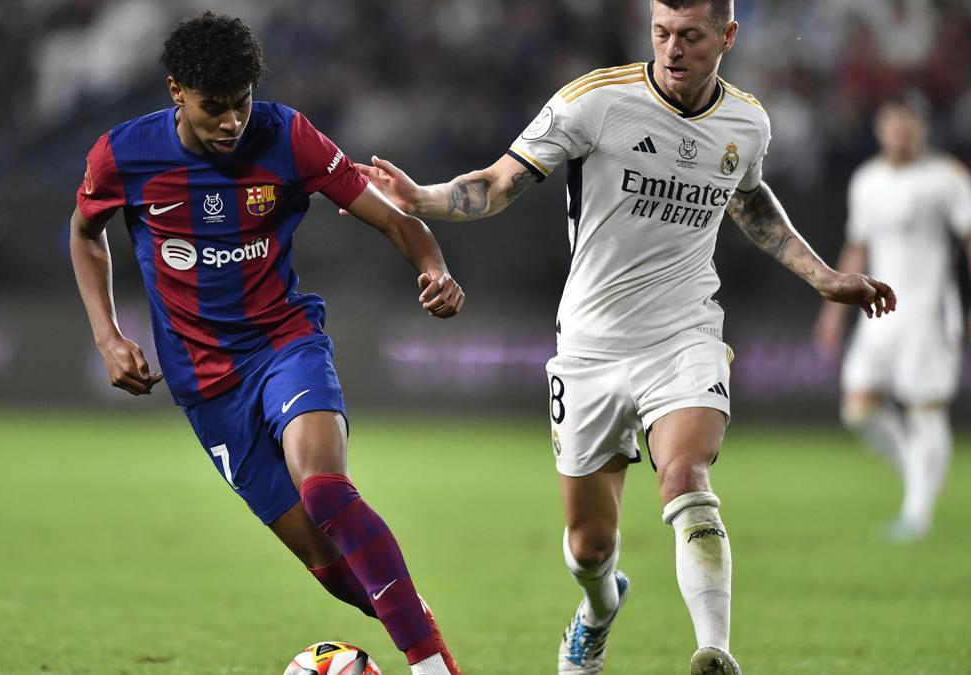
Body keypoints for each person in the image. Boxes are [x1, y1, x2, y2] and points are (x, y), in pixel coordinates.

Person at [356, 1, 895, 673]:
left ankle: (715, 650)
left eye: (691, 36)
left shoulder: (747, 122)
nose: (673, 49)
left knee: (687, 473)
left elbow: (748, 197)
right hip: (591, 345)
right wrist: (427, 199)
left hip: (685, 332)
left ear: (727, 36)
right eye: (661, 32)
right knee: (588, 545)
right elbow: (500, 182)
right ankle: (597, 609)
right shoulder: (597, 102)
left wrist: (822, 277)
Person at [67, 13, 463, 675]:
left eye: (241, 104)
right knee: (338, 574)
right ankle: (411, 617)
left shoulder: (288, 137)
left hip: (285, 344)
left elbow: (393, 220)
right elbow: (84, 232)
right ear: (176, 92)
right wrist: (107, 335)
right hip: (206, 386)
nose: (231, 122)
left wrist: (436, 269)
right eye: (213, 108)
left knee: (325, 487)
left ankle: (432, 668)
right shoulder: (124, 155)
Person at [814, 97, 971, 542]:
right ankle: (917, 479)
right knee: (858, 410)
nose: (899, 132)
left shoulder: (947, 178)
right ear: (880, 129)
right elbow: (857, 247)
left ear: (922, 127)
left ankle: (917, 515)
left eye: (908, 123)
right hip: (879, 314)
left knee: (925, 409)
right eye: (891, 124)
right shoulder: (867, 181)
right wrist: (831, 311)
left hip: (929, 314)